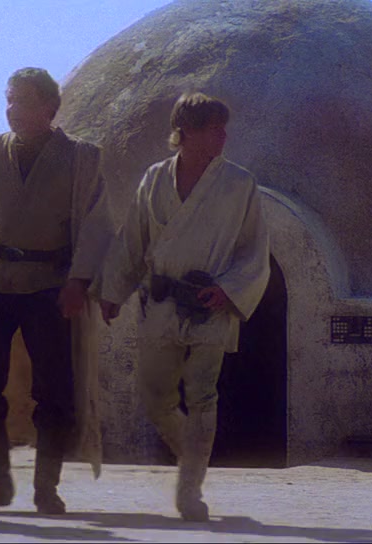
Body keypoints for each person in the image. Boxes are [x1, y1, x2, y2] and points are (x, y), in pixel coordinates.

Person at [0, 67, 112, 515]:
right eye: (9, 100)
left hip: (50, 286)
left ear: (49, 107)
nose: (12, 110)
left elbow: (96, 225)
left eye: (23, 101)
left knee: (55, 390)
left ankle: (46, 487)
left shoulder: (81, 159)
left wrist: (78, 281)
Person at [94, 92, 271, 521]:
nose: (222, 137)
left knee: (202, 394)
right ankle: (192, 457)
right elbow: (133, 238)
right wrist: (113, 291)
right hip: (160, 302)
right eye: (213, 129)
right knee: (155, 396)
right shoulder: (155, 179)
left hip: (210, 304)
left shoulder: (239, 184)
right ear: (186, 132)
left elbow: (254, 250)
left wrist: (228, 290)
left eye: (224, 129)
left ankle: (190, 488)